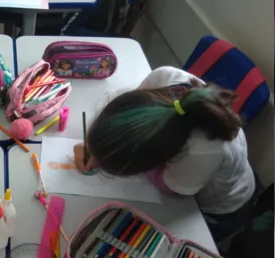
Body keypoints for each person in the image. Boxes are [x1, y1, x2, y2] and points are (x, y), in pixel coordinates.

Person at [74, 66, 257, 243]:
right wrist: (98, 145)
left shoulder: (201, 151)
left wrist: (116, 156)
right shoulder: (163, 78)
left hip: (220, 206)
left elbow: (172, 187)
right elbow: (130, 112)